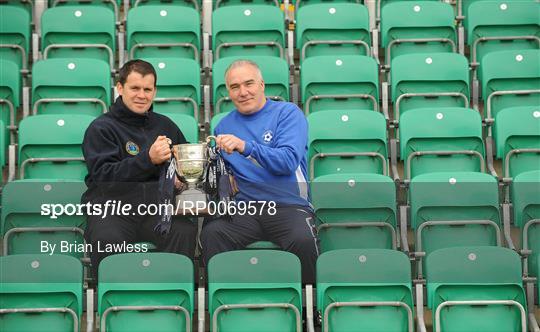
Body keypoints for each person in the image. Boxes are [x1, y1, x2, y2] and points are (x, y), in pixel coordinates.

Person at [201, 60, 319, 283]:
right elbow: (218, 167)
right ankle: (224, 304)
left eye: (249, 84)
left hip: (288, 205)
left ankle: (311, 309)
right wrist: (224, 177)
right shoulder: (223, 126)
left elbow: (287, 161)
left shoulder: (288, 114)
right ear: (228, 91)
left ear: (262, 85)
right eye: (235, 87)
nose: (243, 92)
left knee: (302, 239)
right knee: (212, 233)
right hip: (245, 208)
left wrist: (245, 147)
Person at [82, 59, 197, 278]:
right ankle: (115, 301)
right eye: (135, 88)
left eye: (147, 89)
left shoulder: (166, 125)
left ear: (154, 91)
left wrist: (181, 178)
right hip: (113, 209)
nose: (141, 95)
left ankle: (174, 297)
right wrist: (148, 159)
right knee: (108, 239)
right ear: (119, 88)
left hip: (156, 209)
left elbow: (184, 164)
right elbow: (104, 178)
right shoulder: (101, 128)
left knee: (184, 231)